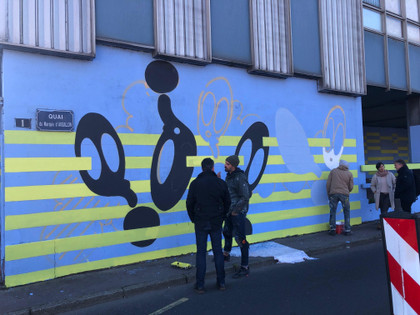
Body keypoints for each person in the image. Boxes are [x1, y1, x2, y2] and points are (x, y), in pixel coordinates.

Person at [186, 158, 231, 293]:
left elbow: (189, 203)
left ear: (202, 168)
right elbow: (227, 202)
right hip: (216, 221)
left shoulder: (195, 184)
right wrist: (222, 216)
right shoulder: (220, 183)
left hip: (200, 221)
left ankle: (200, 285)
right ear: (212, 168)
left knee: (201, 252)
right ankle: (221, 282)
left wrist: (194, 218)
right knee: (218, 251)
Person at [223, 155, 251, 278]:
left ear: (233, 166)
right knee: (227, 232)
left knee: (241, 239)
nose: (225, 165)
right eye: (226, 163)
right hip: (230, 211)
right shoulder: (229, 177)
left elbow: (245, 196)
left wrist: (236, 211)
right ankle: (226, 255)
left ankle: (245, 266)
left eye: (228, 164)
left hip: (237, 212)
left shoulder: (239, 177)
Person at [326, 160, 354, 236]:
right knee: (346, 211)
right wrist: (347, 191)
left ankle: (332, 229)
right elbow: (351, 186)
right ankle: (347, 229)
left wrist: (329, 194)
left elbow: (328, 184)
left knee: (333, 211)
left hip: (333, 194)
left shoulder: (333, 172)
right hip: (345, 195)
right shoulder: (349, 173)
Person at [370, 162, 396, 229]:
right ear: (377, 168)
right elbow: (372, 185)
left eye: (382, 166)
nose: (381, 168)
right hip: (380, 195)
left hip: (388, 194)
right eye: (380, 167)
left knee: (385, 209)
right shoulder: (375, 176)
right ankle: (383, 223)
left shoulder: (390, 174)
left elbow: (395, 182)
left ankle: (383, 223)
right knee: (382, 209)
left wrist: (394, 190)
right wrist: (375, 191)